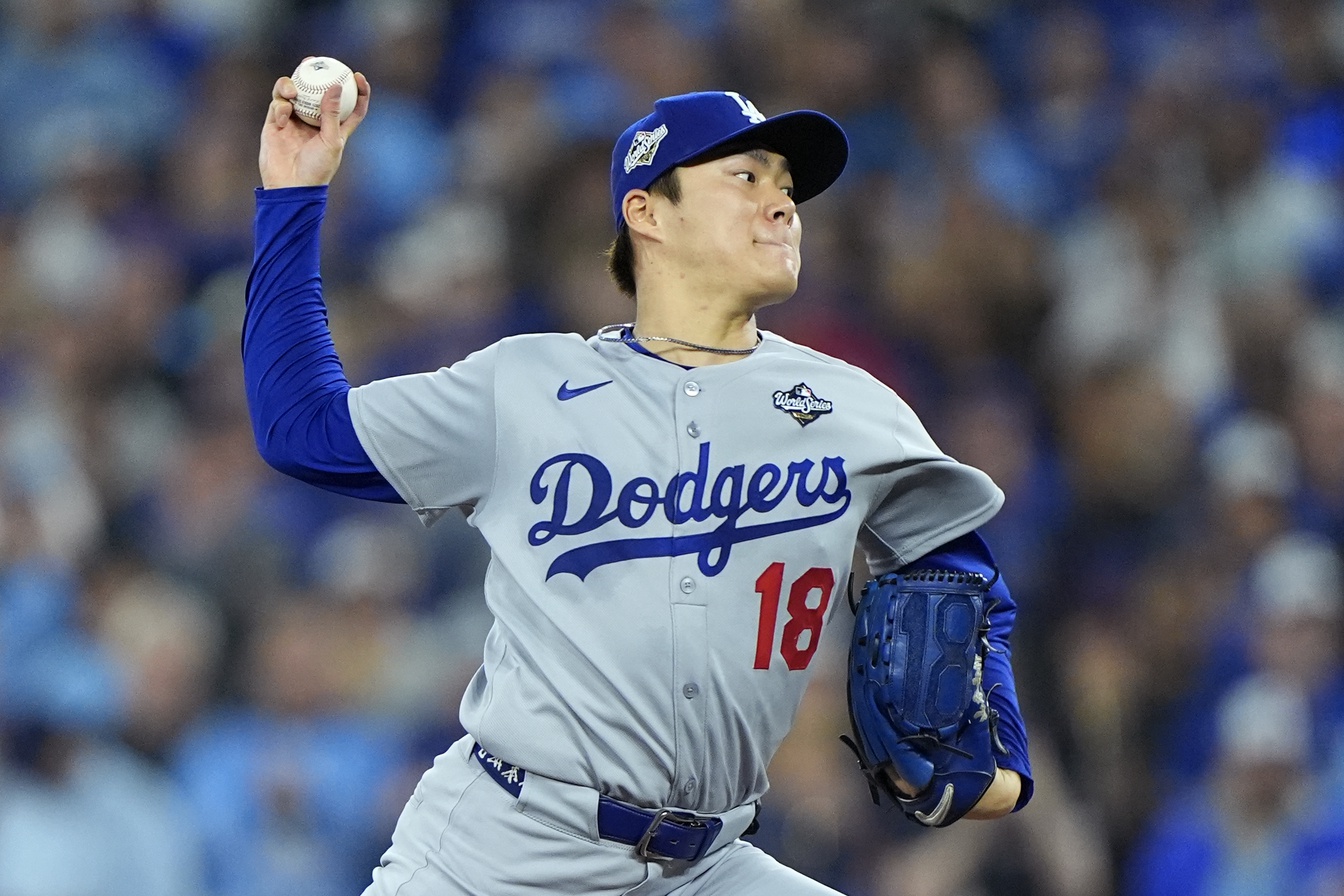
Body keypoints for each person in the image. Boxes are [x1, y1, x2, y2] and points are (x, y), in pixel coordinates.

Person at [245, 70, 1034, 895]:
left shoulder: (852, 408)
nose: (782, 204)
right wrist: (292, 195)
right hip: (502, 850)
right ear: (647, 212)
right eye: (746, 177)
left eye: (787, 187)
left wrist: (1002, 758)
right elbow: (301, 428)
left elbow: (960, 578)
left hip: (708, 864)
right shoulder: (525, 387)